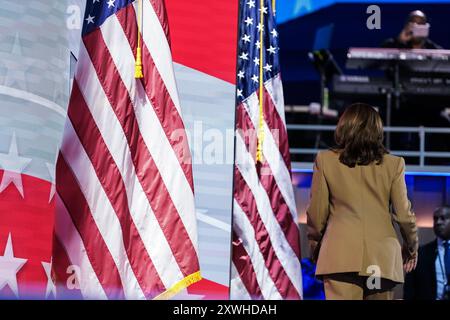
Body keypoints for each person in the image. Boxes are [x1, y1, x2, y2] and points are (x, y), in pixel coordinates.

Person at [306, 103, 419, 300]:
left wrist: (316, 247)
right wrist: (411, 247)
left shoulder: (325, 161)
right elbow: (403, 215)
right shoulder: (394, 164)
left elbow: (316, 214)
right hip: (380, 261)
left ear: (343, 127)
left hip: (338, 258)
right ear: (378, 130)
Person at [404, 206, 450, 300]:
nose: (438, 222)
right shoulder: (420, 254)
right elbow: (409, 288)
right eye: (435, 219)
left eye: (443, 218)